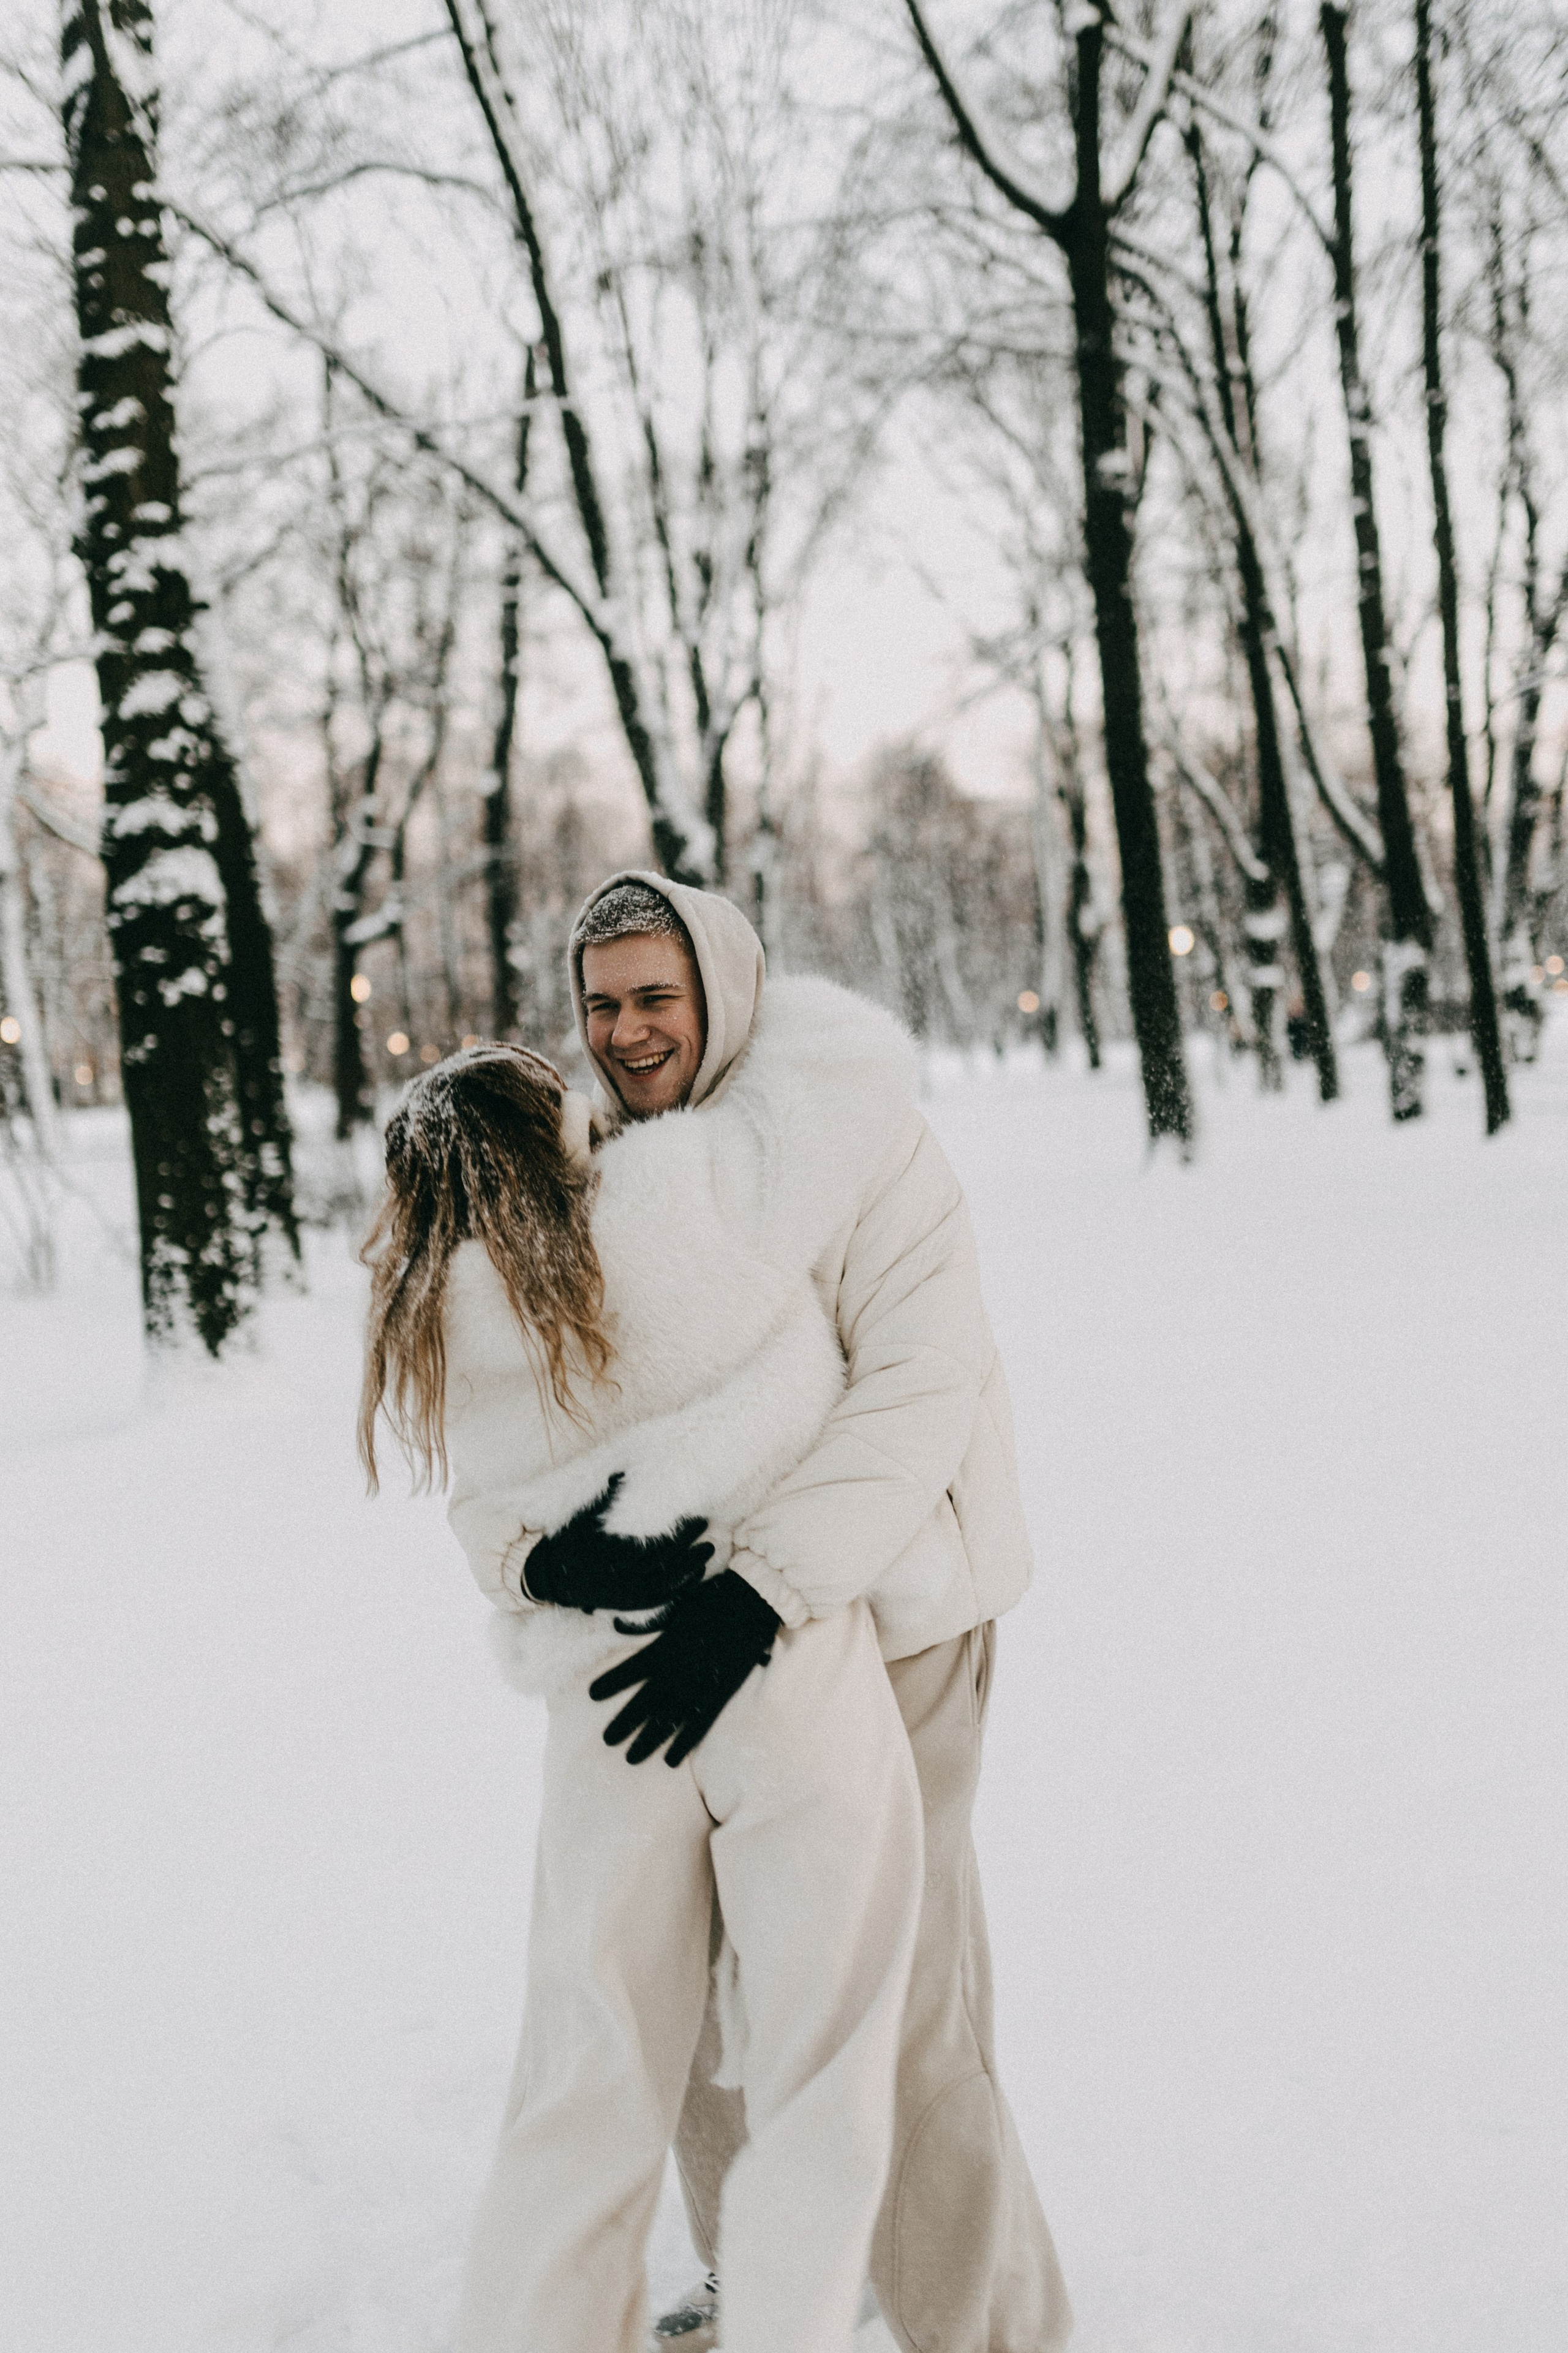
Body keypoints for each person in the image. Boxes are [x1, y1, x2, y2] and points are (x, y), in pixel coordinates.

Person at [567, 874, 1073, 2353]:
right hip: (705, 1648)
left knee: (899, 2009)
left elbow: (918, 1391)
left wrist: (763, 1584)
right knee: (701, 1993)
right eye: (601, 1001)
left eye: (654, 995)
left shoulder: (865, 1144)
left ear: (719, 989)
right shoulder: (620, 1161)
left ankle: (979, 2322)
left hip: (894, 1618)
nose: (626, 1029)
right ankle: (769, 2274)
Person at [358, 1033, 925, 2353]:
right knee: (819, 2063)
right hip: (776, 1659)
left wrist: (549, 1554)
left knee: (587, 2074)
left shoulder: (438, 1303)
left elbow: (487, 1514)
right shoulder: (673, 1211)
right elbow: (806, 1375)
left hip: (608, 1707)